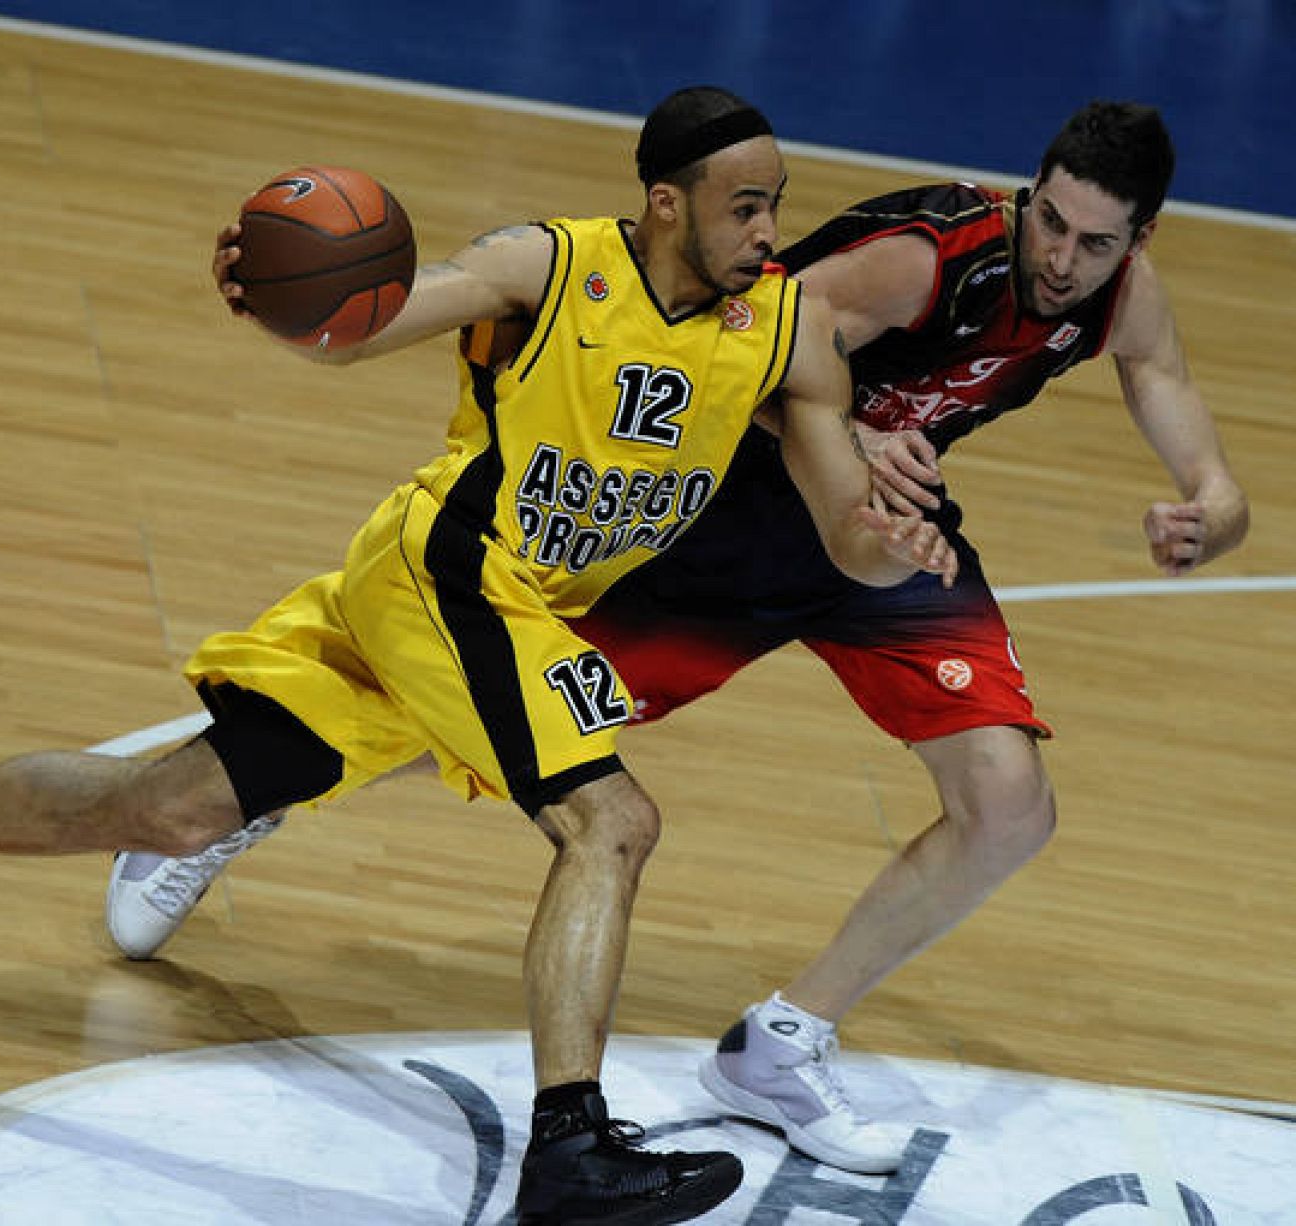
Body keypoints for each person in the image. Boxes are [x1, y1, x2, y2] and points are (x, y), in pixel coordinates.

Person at [0, 86, 956, 1226]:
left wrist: (894, 540)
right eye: (747, 205)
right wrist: (284, 294)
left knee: (174, 806)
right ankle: (569, 1143)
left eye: (776, 204)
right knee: (610, 822)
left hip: (504, 612)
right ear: (665, 201)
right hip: (451, 574)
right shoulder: (549, 262)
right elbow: (368, 323)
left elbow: (848, 532)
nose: (769, 229)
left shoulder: (785, 331)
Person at [105, 100, 1250, 1177]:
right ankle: (240, 796)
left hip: (876, 545)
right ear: (1027, 193)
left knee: (1010, 805)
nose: (1061, 257)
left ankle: (780, 1046)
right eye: (1049, 220)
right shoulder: (924, 255)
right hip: (722, 527)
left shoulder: (1121, 294)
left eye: (1095, 241)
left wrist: (1213, 496)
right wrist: (860, 428)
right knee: (490, 713)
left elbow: (1162, 377)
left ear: (1137, 239)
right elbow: (746, 339)